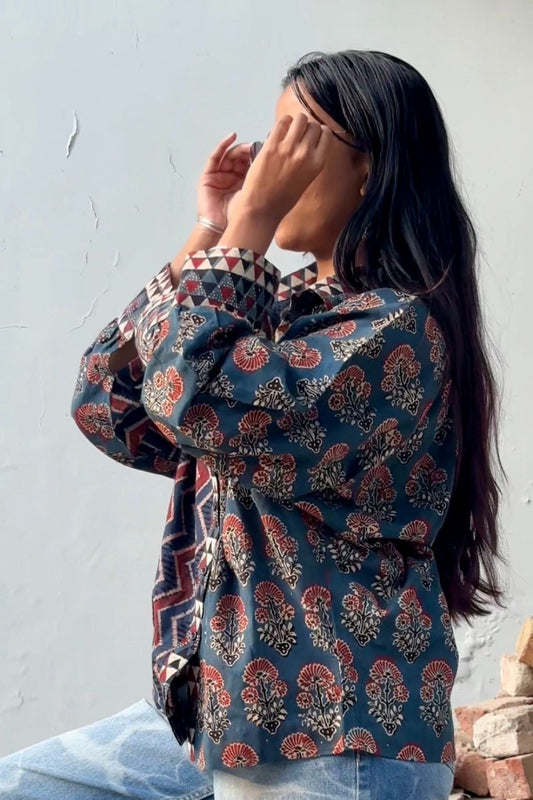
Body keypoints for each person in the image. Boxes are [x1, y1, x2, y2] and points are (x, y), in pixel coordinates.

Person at [0, 48, 506, 800]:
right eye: (271, 139)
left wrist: (251, 229)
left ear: (368, 168)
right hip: (218, 715)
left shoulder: (393, 330)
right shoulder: (275, 313)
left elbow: (196, 395)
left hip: (333, 731)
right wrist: (211, 233)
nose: (269, 161)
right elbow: (109, 400)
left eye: (296, 138)